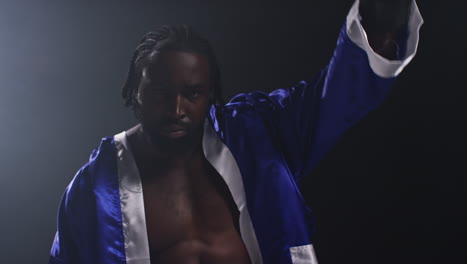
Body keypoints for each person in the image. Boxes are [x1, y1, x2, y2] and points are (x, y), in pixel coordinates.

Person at [49, 0, 423, 263]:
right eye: (161, 93)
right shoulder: (94, 191)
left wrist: (379, 27)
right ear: (135, 91)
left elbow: (335, 96)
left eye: (192, 94)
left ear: (210, 94)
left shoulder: (258, 134)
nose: (177, 109)